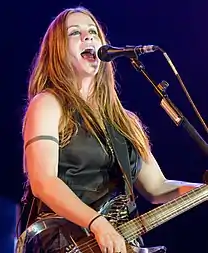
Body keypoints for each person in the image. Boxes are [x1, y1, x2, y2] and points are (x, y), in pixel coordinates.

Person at [17, 6, 203, 253]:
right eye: (75, 33)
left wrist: (201, 192)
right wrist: (97, 223)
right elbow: (43, 181)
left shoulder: (124, 121)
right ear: (57, 51)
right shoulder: (48, 104)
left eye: (93, 31)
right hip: (66, 242)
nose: (88, 36)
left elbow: (158, 188)